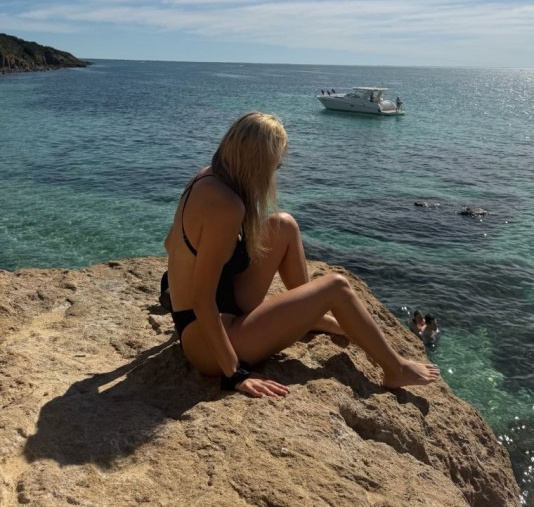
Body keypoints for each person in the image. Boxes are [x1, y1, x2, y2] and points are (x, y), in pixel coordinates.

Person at [163, 112, 439, 397]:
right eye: (275, 165)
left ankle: (309, 314)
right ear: (258, 163)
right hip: (205, 342)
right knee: (336, 286)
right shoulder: (227, 206)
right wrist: (235, 373)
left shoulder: (207, 176)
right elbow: (202, 300)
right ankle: (396, 369)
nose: (275, 172)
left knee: (283, 225)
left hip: (225, 305)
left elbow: (170, 243)